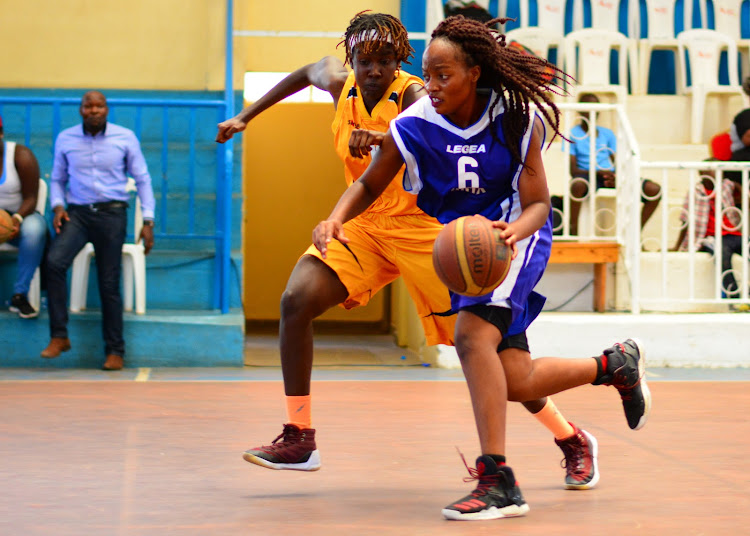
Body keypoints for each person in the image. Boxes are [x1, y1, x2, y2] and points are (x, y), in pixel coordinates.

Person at [217, 12, 599, 490]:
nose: (373, 69)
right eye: (364, 60)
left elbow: (429, 123)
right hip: (367, 227)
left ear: (400, 61)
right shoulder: (342, 87)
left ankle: (569, 438)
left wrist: (384, 137)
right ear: (351, 59)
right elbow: (302, 76)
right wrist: (244, 116)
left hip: (430, 236)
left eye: (384, 60)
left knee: (498, 363)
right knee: (297, 300)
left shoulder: (419, 94)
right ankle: (299, 436)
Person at [311, 15, 651, 521]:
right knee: (513, 379)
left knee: (470, 338)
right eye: (427, 75)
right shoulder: (416, 124)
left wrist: (513, 233)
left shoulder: (516, 119)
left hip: (518, 237)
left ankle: (498, 480)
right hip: (470, 246)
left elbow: (538, 202)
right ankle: (613, 365)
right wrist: (334, 219)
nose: (432, 85)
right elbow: (369, 183)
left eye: (443, 75)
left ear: (474, 72)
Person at [40, 91, 156, 371]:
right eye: (88, 105)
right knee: (54, 263)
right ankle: (59, 336)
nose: (94, 110)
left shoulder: (124, 137)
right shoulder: (66, 138)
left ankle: (115, 350)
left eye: (99, 105)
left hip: (112, 214)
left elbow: (142, 179)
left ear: (107, 109)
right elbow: (57, 179)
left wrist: (148, 221)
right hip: (78, 214)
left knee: (108, 281)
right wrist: (57, 207)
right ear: (80, 110)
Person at [568, 93, 662, 235]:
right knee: (577, 186)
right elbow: (573, 170)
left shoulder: (607, 134)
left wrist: (617, 176)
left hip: (609, 175)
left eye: (596, 108)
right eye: (588, 107)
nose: (593, 111)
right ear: (580, 110)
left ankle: (635, 233)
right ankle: (572, 231)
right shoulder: (572, 134)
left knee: (654, 190)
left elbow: (618, 161)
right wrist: (597, 172)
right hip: (587, 176)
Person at [0, 114, 48, 318]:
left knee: (35, 230)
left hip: (22, 214)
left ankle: (20, 294)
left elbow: (31, 197)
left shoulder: (20, 155)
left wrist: (16, 220)